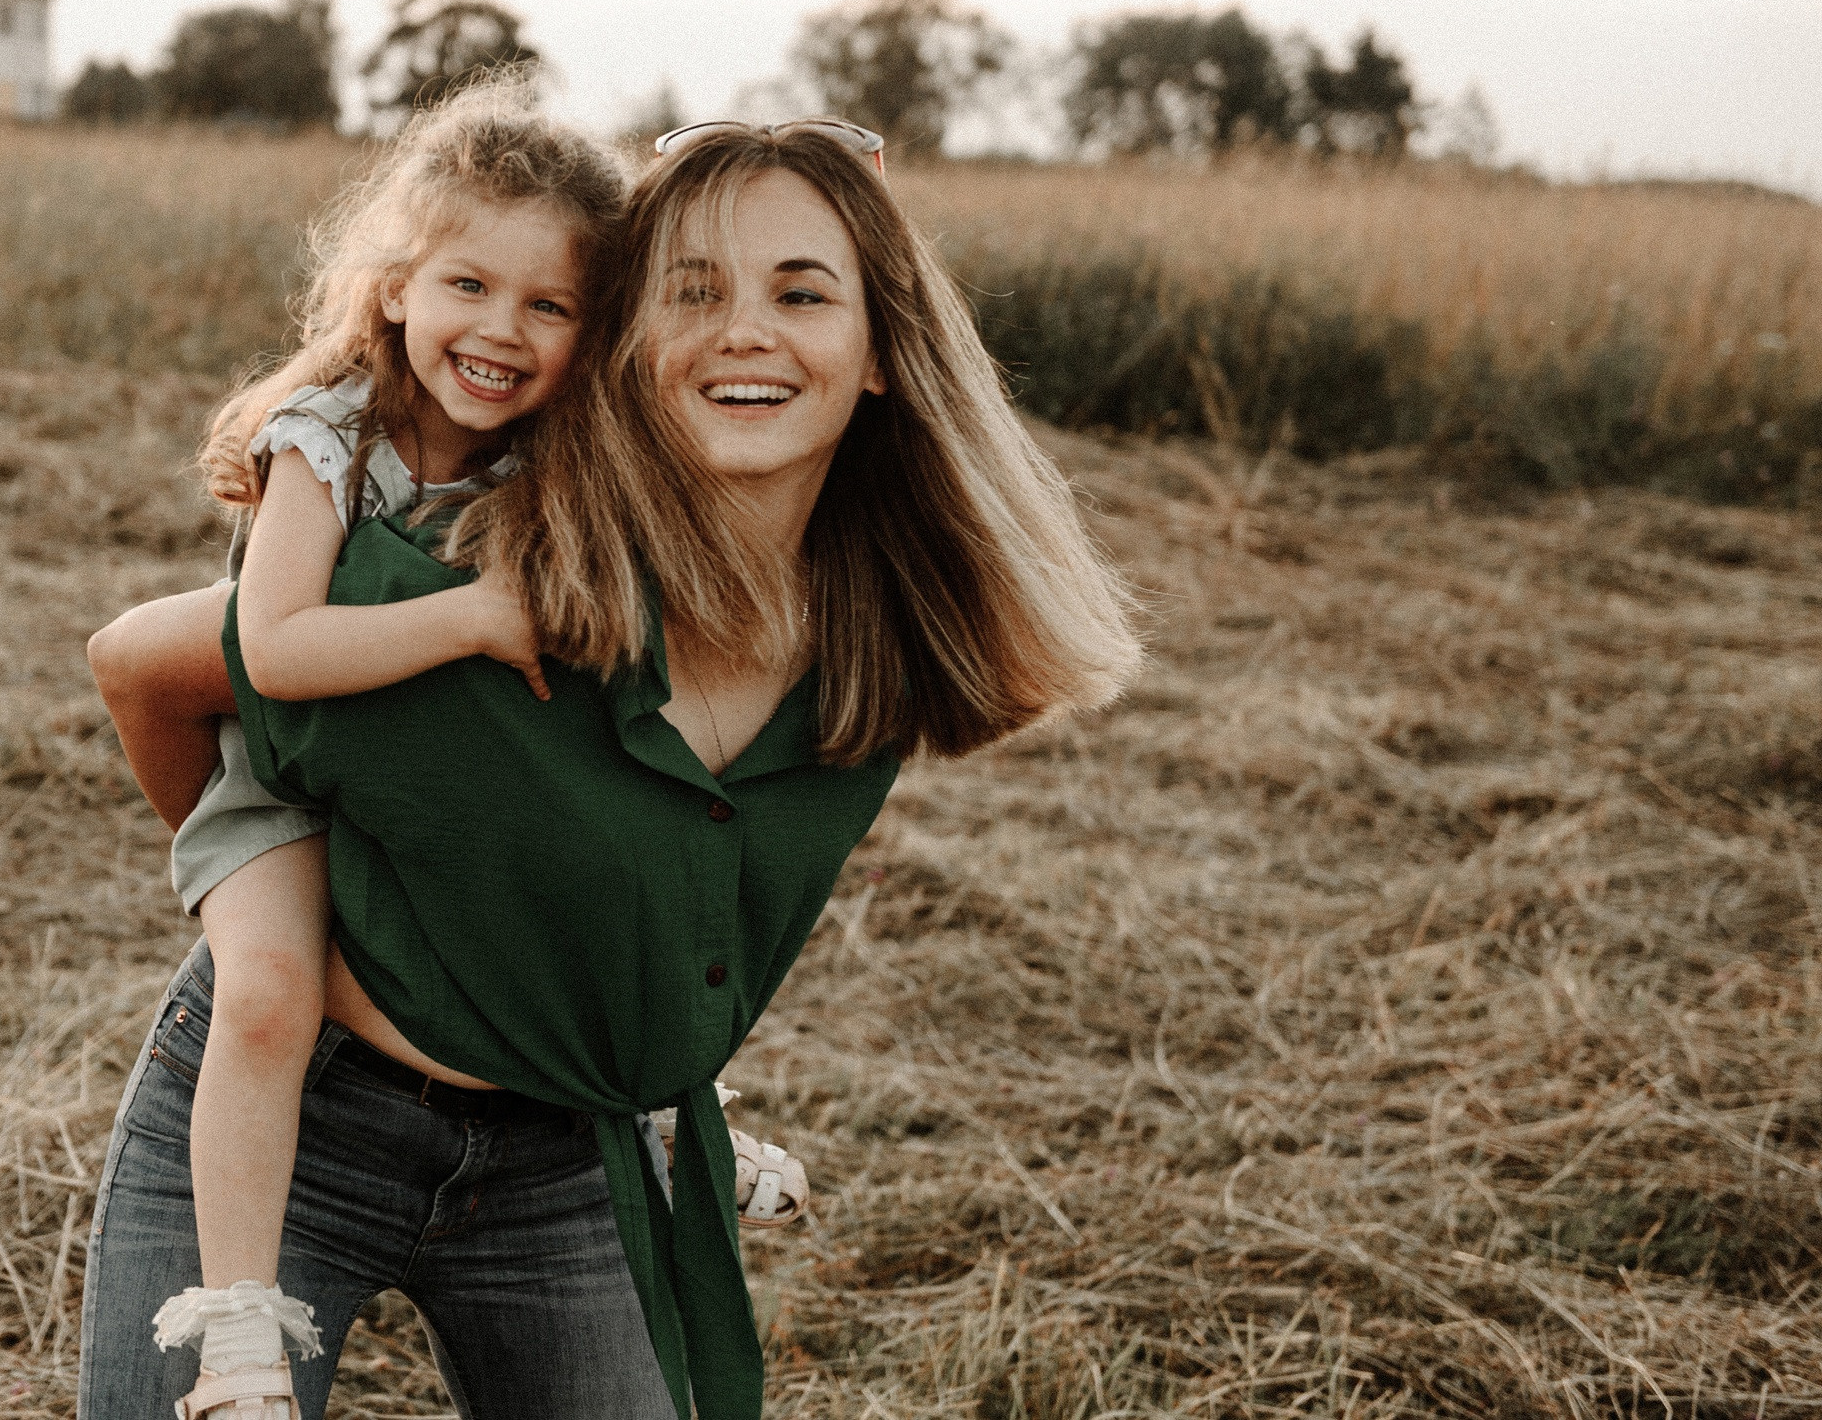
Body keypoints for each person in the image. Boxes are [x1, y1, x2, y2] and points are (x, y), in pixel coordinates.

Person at [80, 119, 1141, 1420]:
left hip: (571, 1147)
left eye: (802, 292)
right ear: (635, 349)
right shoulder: (501, 560)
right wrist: (273, 870)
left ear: (881, 351)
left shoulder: (890, 640)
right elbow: (141, 661)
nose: (745, 329)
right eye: (693, 293)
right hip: (301, 1098)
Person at [87, 81, 628, 1419]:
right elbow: (272, 649)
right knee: (267, 987)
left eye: (548, 305)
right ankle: (241, 1333)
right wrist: (476, 616)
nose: (500, 328)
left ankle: (673, 1103)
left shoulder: (550, 466)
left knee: (584, 889)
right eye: (467, 283)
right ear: (392, 287)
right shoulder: (329, 433)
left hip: (428, 807)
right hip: (281, 787)